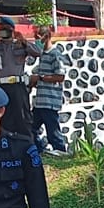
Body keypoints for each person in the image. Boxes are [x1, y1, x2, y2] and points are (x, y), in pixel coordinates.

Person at [29, 25, 71, 156]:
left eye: (38, 38)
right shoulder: (43, 55)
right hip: (40, 101)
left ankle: (62, 154)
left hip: (49, 102)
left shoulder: (55, 54)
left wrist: (40, 78)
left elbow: (60, 76)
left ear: (46, 37)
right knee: (31, 129)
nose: (36, 41)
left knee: (53, 132)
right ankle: (41, 151)